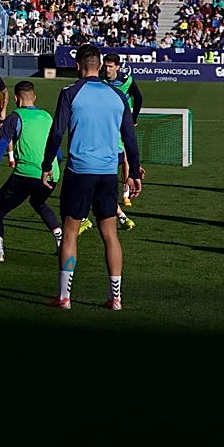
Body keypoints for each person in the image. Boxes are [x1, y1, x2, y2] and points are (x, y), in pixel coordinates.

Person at [41, 43, 143, 311]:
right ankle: (116, 298)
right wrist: (133, 172)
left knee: (71, 233)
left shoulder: (70, 93)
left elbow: (57, 132)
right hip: (108, 173)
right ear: (99, 66)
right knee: (110, 235)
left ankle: (64, 296)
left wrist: (46, 164)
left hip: (79, 172)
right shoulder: (118, 96)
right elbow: (130, 138)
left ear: (78, 66)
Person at [0, 81, 63, 262]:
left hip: (26, 175)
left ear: (16, 98)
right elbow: (58, 150)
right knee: (38, 203)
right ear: (35, 97)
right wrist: (54, 167)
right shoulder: (47, 116)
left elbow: (1, 146)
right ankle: (61, 241)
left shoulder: (15, 117)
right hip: (52, 174)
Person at [101, 53, 144, 208]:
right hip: (105, 125)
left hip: (121, 124)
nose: (107, 69)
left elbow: (138, 98)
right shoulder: (100, 80)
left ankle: (125, 194)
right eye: (105, 66)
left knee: (125, 159)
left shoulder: (127, 80)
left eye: (110, 66)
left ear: (118, 67)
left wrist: (133, 119)